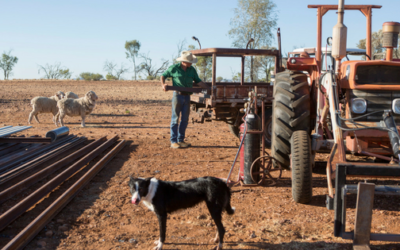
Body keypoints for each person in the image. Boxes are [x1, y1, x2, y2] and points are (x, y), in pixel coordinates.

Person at [160, 51, 209, 149]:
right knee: (175, 119)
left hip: (187, 97)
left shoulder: (192, 70)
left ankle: (180, 140)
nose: (191, 63)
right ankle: (173, 141)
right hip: (177, 96)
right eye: (189, 61)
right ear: (183, 61)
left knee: (185, 119)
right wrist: (163, 84)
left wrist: (208, 88)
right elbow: (163, 75)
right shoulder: (174, 68)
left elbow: (198, 81)